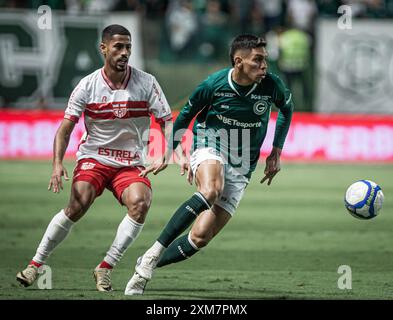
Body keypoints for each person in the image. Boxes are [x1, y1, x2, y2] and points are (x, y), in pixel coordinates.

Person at [124, 34, 294, 295]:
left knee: (200, 237)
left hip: (243, 163)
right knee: (211, 189)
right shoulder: (213, 85)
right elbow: (184, 118)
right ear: (238, 61)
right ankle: (152, 253)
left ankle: (149, 264)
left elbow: (287, 109)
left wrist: (276, 151)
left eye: (265, 60)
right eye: (257, 60)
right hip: (210, 143)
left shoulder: (272, 85)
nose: (264, 67)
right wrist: (166, 152)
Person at [16, 24, 174, 292]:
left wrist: (166, 154)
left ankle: (105, 267)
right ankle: (36, 264)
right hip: (95, 157)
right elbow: (65, 128)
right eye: (118, 47)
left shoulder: (146, 82)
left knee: (140, 202)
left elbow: (168, 122)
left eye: (128, 47)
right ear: (103, 49)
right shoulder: (87, 86)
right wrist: (57, 164)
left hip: (130, 162)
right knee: (79, 202)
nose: (125, 53)